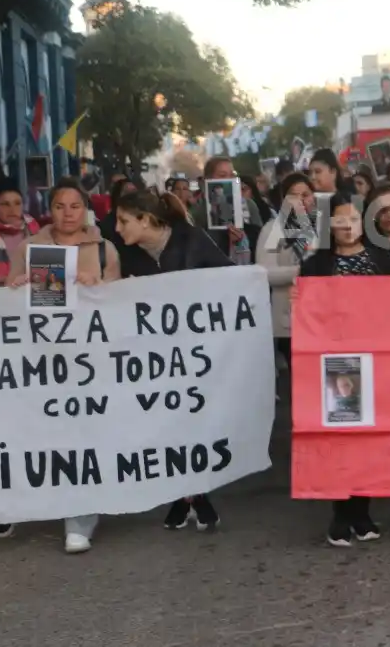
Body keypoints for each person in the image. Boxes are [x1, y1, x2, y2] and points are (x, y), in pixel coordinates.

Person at [8, 178, 121, 554]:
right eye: (59, 206)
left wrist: (98, 286)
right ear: (49, 209)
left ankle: (80, 518)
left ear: (86, 209)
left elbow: (121, 304)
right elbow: (3, 305)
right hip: (44, 359)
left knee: (85, 434)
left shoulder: (104, 249)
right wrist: (17, 286)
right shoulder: (30, 248)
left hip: (91, 360)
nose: (67, 213)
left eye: (75, 206)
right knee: (54, 435)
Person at [115, 189, 232, 530]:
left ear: (146, 219)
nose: (118, 229)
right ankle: (190, 496)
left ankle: (192, 496)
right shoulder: (128, 254)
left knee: (192, 422)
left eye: (124, 221)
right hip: (153, 356)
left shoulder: (192, 241)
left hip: (197, 352)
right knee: (168, 425)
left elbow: (230, 281)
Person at [296, 193, 390, 546]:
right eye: (339, 220)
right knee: (340, 438)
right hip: (335, 363)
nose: (347, 226)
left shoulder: (383, 260)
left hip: (377, 361)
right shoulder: (314, 266)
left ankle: (363, 512)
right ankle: (341, 513)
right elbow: (307, 313)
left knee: (368, 439)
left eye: (353, 219)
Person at [256, 172, 318, 366]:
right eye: (294, 195)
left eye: (306, 194)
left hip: (319, 316)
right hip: (287, 320)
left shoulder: (323, 227)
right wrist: (303, 272)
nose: (301, 200)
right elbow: (265, 273)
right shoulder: (272, 228)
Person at [190, 156, 256, 265]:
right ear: (207, 180)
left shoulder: (249, 205)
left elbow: (258, 242)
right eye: (222, 175)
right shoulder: (196, 212)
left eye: (232, 175)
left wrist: (239, 243)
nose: (229, 179)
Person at [99, 177, 140, 267]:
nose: (132, 196)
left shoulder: (142, 220)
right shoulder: (108, 225)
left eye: (134, 191)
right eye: (127, 192)